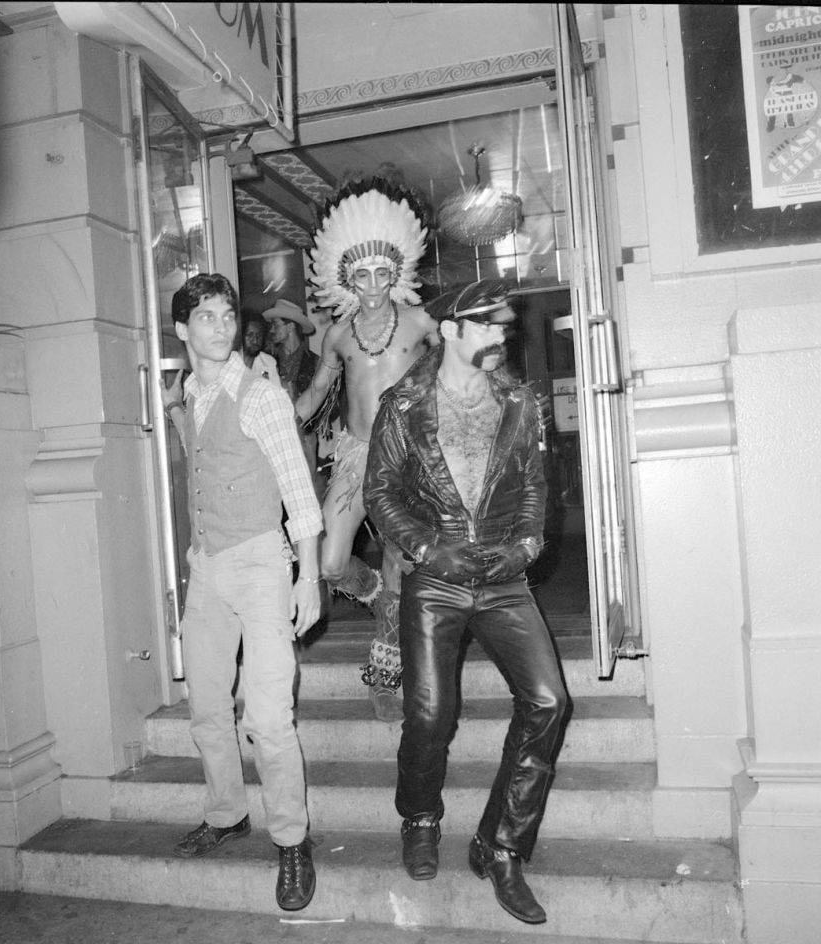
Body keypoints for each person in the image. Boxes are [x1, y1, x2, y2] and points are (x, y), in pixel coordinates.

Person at [362, 280, 568, 925]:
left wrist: (526, 545)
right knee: (430, 713)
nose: (499, 334)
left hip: (504, 574)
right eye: (485, 324)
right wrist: (429, 550)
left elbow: (534, 487)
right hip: (437, 574)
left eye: (502, 325)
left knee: (549, 700)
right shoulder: (403, 406)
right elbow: (379, 493)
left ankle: (500, 846)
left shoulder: (519, 403)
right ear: (448, 329)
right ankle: (420, 817)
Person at [161, 273, 322, 912]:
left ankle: (292, 839)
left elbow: (299, 493)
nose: (222, 326)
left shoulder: (260, 395)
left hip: (260, 566)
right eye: (207, 316)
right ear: (182, 329)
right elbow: (202, 466)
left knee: (268, 717)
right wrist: (174, 411)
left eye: (228, 315)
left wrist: (308, 577)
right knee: (206, 708)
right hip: (206, 568)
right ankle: (227, 814)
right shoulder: (189, 395)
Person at [295, 176, 438, 721]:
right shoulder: (337, 334)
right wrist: (274, 423)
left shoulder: (421, 322)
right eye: (362, 274)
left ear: (398, 271)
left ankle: (384, 677)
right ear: (344, 278)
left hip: (406, 460)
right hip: (355, 457)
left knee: (400, 562)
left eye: (382, 272)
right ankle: (379, 596)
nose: (374, 284)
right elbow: (315, 394)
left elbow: (458, 374)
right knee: (329, 563)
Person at [263, 298, 322, 496]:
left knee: (306, 494)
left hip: (305, 440)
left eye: (276, 324)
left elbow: (328, 407)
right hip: (274, 442)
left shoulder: (314, 362)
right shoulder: (267, 362)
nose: (272, 330)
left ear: (290, 327)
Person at [241, 316, 280, 385]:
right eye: (250, 335)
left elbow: (276, 388)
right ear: (240, 336)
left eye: (259, 336)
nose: (255, 341)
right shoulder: (228, 362)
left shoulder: (268, 362)